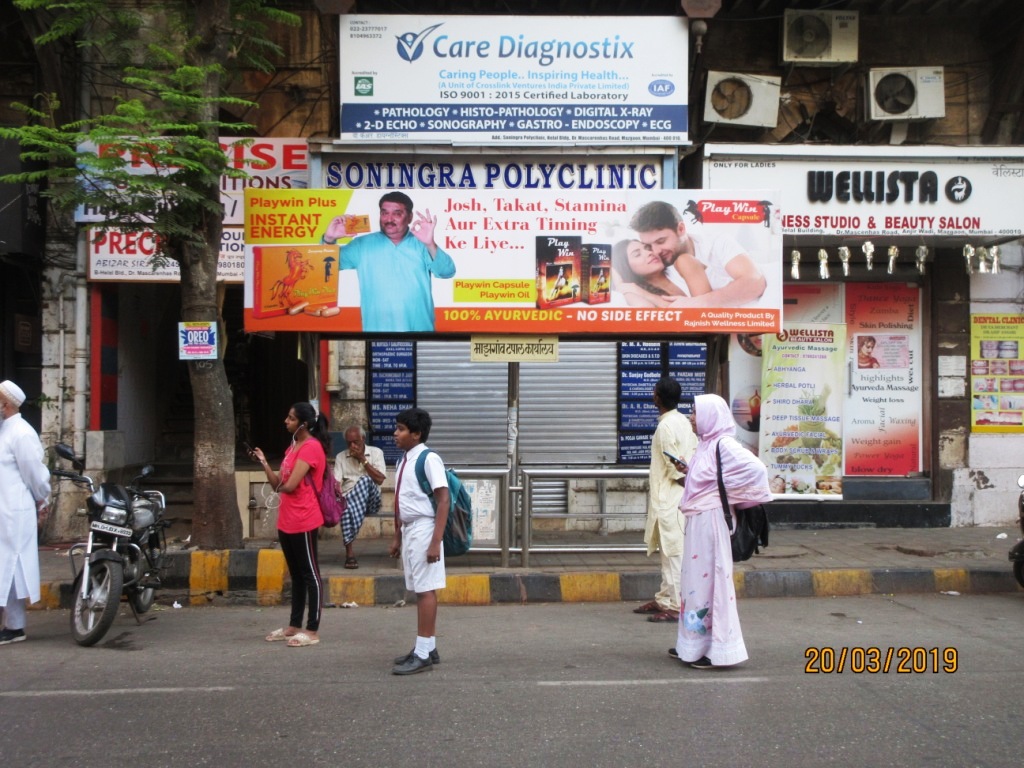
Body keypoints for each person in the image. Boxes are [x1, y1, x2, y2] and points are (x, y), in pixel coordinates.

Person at [671, 394, 772, 669]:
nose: (691, 417)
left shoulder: (724, 444)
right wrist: (688, 470)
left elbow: (756, 470)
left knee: (712, 583)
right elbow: (707, 477)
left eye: (694, 412)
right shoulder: (706, 445)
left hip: (712, 524)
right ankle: (693, 643)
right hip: (699, 522)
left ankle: (716, 649)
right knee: (695, 584)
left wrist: (727, 494)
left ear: (710, 415)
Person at [321, 191, 456, 332]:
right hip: (377, 334)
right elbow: (325, 267)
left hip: (420, 333)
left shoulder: (421, 244)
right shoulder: (362, 245)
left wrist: (430, 244)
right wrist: (329, 239)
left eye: (397, 214)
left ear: (409, 217)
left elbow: (447, 272)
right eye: (384, 213)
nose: (389, 219)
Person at [251, 402, 328, 648]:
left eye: (291, 418)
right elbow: (277, 484)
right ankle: (294, 625)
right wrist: (264, 462)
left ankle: (312, 629)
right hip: (287, 518)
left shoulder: (311, 448)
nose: (286, 421)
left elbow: (290, 485)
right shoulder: (293, 447)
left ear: (303, 425)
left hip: (305, 518)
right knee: (295, 574)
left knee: (310, 574)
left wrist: (281, 485)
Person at [389, 407, 449, 675]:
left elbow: (443, 499)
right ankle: (428, 646)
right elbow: (402, 498)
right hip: (410, 530)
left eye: (401, 429)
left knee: (425, 591)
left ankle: (422, 653)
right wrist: (396, 536)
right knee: (420, 588)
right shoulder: (405, 459)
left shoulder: (428, 458)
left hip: (425, 529)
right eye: (397, 427)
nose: (395, 433)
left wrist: (435, 541)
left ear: (416, 434)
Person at [633, 377, 698, 623]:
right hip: (677, 497)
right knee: (668, 552)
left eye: (654, 392)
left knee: (672, 554)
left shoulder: (665, 427)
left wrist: (688, 484)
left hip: (669, 499)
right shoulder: (682, 421)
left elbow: (674, 467)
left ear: (658, 398)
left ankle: (676, 606)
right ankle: (665, 599)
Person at [629, 200, 767, 307]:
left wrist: (698, 303)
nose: (656, 251)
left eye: (661, 241)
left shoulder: (716, 242)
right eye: (648, 246)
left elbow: (755, 282)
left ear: (681, 229)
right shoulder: (658, 267)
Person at [0, 380, 51, 646]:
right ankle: (11, 625)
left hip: (14, 512)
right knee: (4, 568)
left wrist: (43, 499)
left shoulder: (21, 432)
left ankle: (15, 626)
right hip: (3, 511)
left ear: (5, 404)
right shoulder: (4, 430)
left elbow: (35, 473)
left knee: (11, 568)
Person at [333, 425, 386, 569]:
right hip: (350, 503)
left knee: (364, 480)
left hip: (371, 500)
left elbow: (380, 479)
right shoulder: (341, 457)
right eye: (349, 442)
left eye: (355, 442)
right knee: (345, 505)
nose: (352, 445)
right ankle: (350, 554)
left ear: (363, 439)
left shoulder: (376, 453)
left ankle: (350, 541)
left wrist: (363, 459)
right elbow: (336, 483)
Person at [611, 238, 709, 308]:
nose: (649, 253)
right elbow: (645, 308)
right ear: (626, 267)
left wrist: (642, 293)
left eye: (647, 248)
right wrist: (621, 284)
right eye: (637, 254)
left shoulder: (683, 262)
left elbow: (703, 312)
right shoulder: (636, 294)